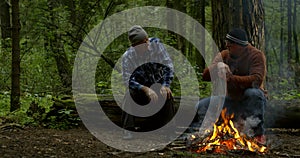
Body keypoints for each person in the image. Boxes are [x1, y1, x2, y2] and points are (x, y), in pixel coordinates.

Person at [194, 28, 267, 145]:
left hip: (251, 103)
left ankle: (258, 134)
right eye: (227, 43)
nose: (227, 46)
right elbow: (205, 76)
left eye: (231, 45)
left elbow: (256, 79)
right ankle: (198, 134)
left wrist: (231, 78)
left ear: (240, 46)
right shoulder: (225, 55)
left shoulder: (256, 55)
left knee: (253, 93)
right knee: (201, 106)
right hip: (231, 101)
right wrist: (218, 65)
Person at [121, 25, 176, 139]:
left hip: (157, 85)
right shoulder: (128, 56)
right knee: (128, 95)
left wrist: (165, 85)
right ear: (134, 46)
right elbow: (127, 80)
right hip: (140, 89)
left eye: (146, 41)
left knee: (168, 95)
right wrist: (145, 89)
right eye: (142, 43)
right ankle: (128, 129)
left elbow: (168, 66)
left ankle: (170, 131)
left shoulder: (156, 46)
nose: (147, 44)